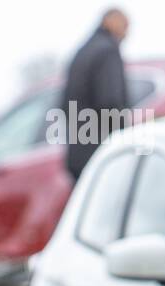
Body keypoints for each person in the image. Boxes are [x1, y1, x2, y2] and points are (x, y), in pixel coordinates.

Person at [60, 8, 130, 182]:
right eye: (125, 26)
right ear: (110, 21)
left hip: (80, 155)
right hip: (102, 155)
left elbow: (65, 104)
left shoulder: (83, 51)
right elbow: (110, 102)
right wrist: (125, 139)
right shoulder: (107, 51)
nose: (126, 33)